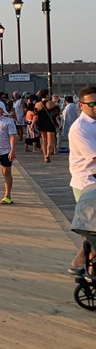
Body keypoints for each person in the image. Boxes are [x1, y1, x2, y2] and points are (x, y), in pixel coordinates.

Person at [68, 87, 96, 277]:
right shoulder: (80, 129)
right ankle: (88, 267)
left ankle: (78, 264)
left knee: (92, 230)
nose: (95, 108)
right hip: (86, 183)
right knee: (92, 228)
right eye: (91, 104)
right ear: (81, 105)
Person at [35, 89, 60, 162]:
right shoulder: (52, 103)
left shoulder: (37, 104)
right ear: (46, 95)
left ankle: (44, 155)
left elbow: (35, 116)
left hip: (41, 123)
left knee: (44, 140)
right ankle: (48, 155)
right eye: (48, 94)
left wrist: (32, 124)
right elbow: (56, 114)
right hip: (50, 124)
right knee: (50, 140)